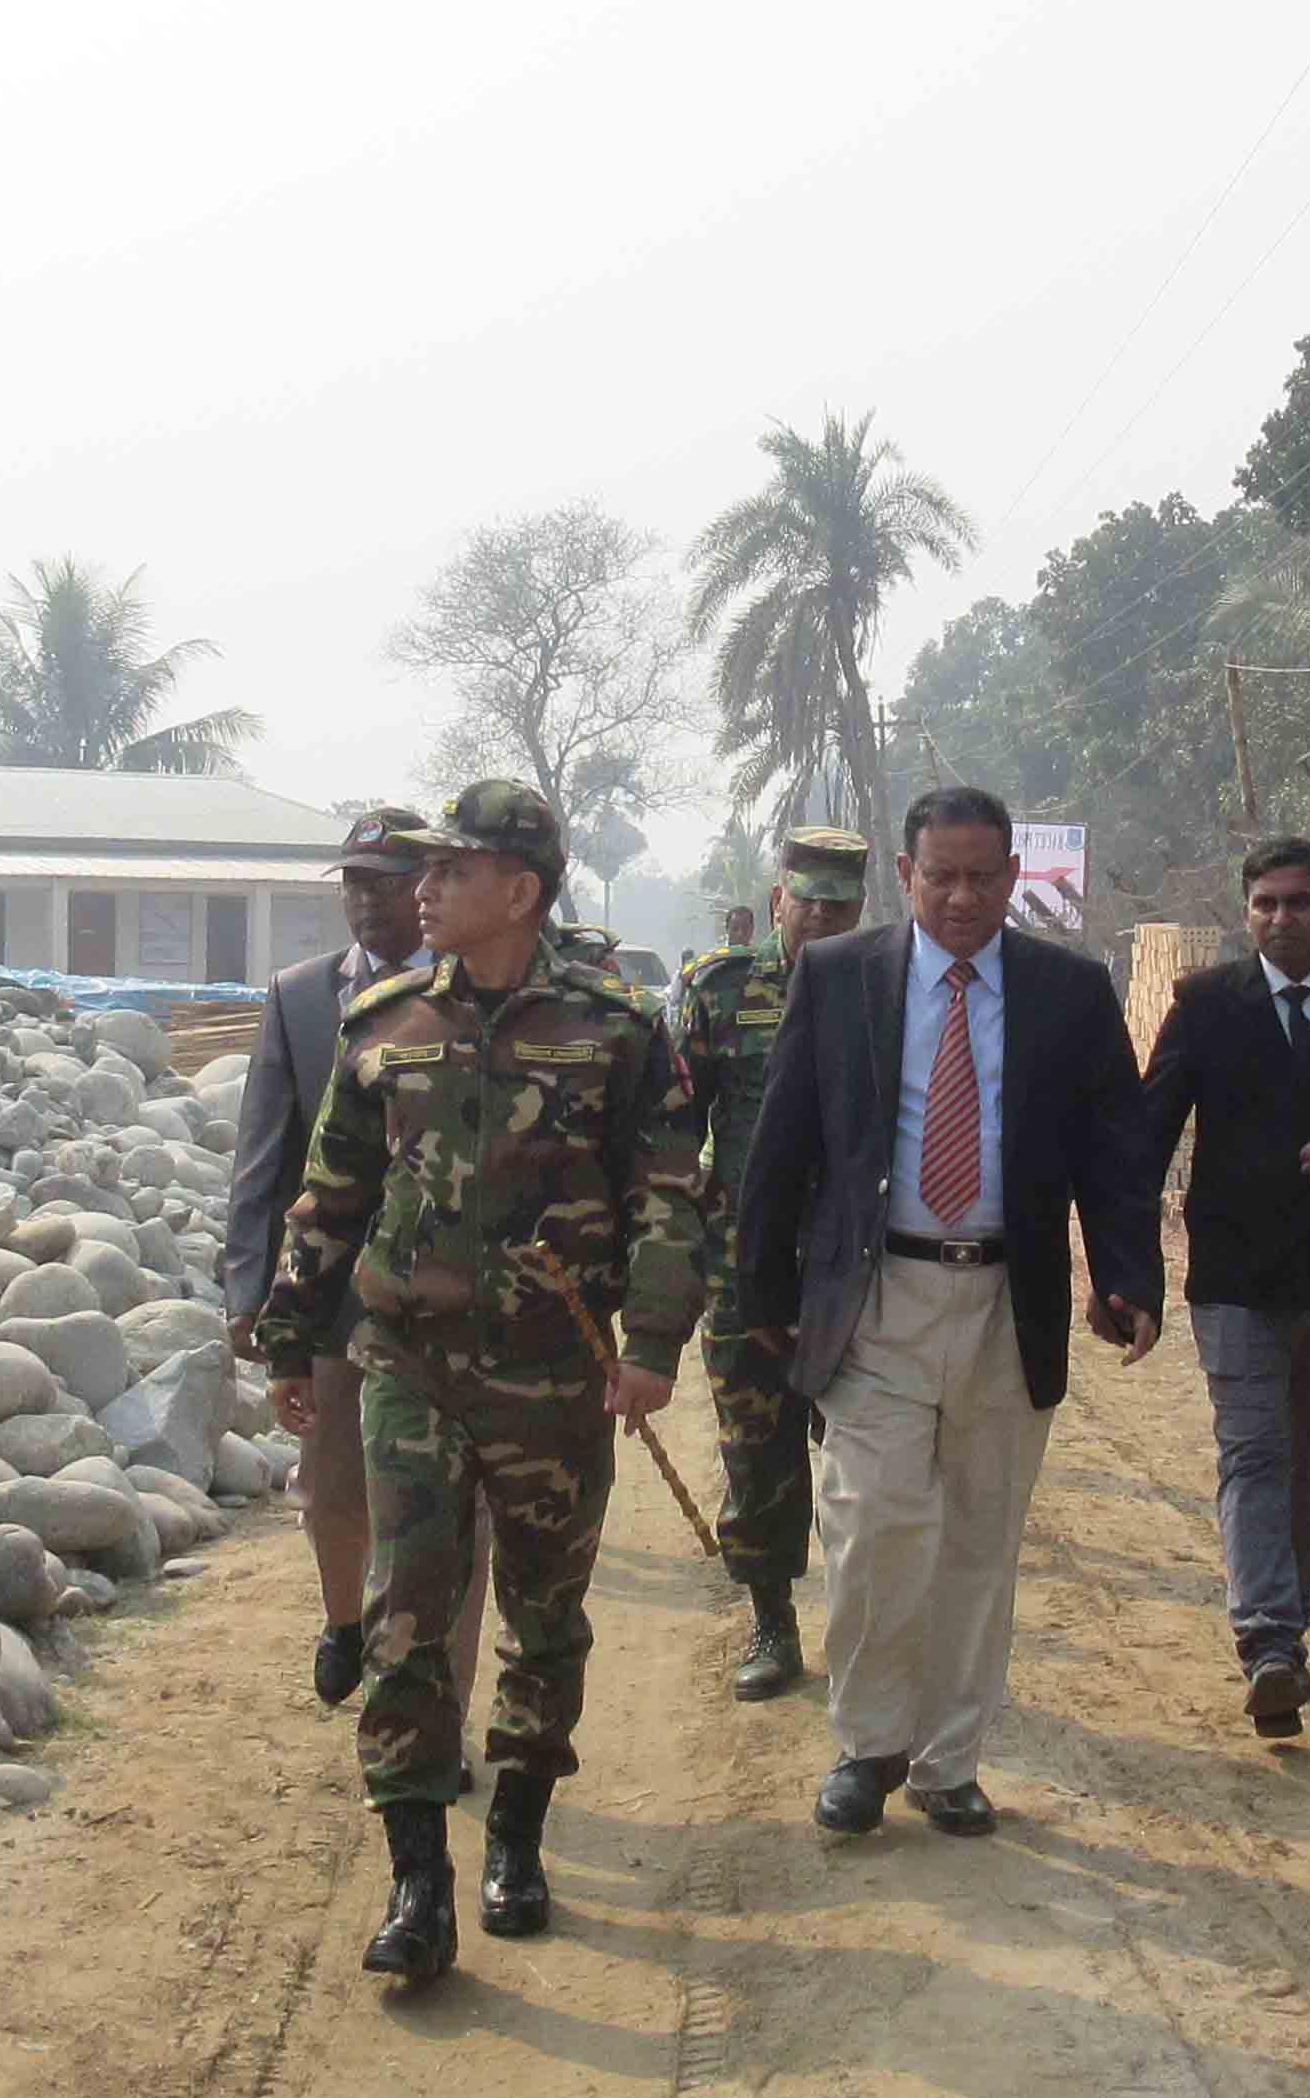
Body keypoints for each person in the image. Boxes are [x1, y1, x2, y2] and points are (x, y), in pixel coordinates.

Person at [246, 781, 692, 1988]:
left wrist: (651, 1343)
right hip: (409, 1364)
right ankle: (417, 1882)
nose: (422, 890)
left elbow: (668, 1198)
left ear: (522, 891)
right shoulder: (384, 1023)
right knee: (409, 1616)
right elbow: (330, 1194)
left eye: (451, 872)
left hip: (552, 1375)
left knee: (544, 1619)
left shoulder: (620, 1029)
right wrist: (290, 1335)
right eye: (423, 873)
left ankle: (516, 1842)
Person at [736, 785, 1163, 1836]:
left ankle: (947, 1761)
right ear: (904, 874)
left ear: (1014, 876)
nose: (963, 897)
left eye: (983, 877)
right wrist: (763, 1296)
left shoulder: (1068, 990)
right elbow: (781, 1146)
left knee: (979, 1538)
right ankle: (866, 1744)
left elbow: (1116, 1153)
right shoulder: (839, 980)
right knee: (876, 1524)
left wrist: (1129, 1277)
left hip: (1006, 1302)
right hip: (878, 1296)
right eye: (943, 877)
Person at [1136, 836, 1310, 1733]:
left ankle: (1287, 1629)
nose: (1281, 918)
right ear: (1245, 912)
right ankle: (1266, 1642)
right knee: (1253, 1454)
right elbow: (1146, 1141)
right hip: (1235, 1279)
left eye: (1299, 903)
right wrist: (1127, 1268)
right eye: (1264, 904)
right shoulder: (1207, 1005)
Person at [221, 805, 447, 1712]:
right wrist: (250, 1288)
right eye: (354, 883)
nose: (366, 901)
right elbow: (261, 1155)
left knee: (436, 1504)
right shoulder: (300, 995)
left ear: (425, 888)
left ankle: (426, 1680)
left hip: (442, 1288)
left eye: (385, 883)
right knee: (330, 1483)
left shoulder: (471, 994)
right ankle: (343, 1621)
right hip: (328, 1284)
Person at [666, 824, 868, 1701]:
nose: (820, 917)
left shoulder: (886, 987)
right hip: (747, 1267)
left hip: (856, 1268)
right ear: (778, 897)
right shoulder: (720, 990)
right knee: (758, 1446)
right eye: (807, 900)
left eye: (839, 904)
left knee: (872, 1453)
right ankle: (773, 1622)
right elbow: (673, 1125)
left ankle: (874, 1628)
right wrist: (709, 1212)